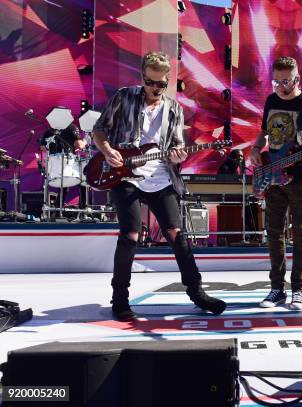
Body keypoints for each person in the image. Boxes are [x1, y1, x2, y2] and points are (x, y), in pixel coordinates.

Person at [93, 51, 226, 321]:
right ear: (142, 77)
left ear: (168, 81)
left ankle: (197, 293)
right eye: (150, 82)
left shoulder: (174, 109)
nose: (155, 88)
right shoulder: (124, 96)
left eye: (161, 84)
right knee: (130, 235)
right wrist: (107, 151)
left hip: (161, 176)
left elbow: (177, 146)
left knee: (177, 234)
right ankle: (119, 300)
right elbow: (99, 130)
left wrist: (179, 154)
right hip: (125, 175)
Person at [249, 56, 302, 310]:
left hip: (301, 176)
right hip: (272, 174)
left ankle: (298, 289)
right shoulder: (271, 100)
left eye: (284, 81)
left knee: (300, 232)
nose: (278, 86)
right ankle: (277, 289)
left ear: (296, 79)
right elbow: (265, 131)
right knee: (274, 232)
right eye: (275, 80)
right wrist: (255, 149)